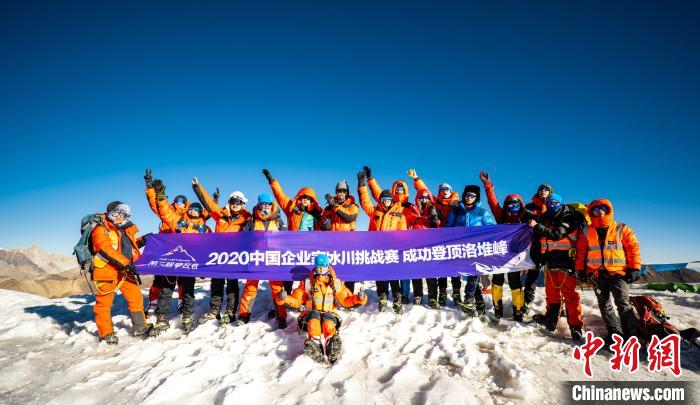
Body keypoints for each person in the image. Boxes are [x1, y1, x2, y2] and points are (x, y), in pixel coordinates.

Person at [148, 178, 212, 337]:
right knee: (166, 290)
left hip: (190, 264)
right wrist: (160, 195)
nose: (193, 211)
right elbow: (165, 212)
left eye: (197, 210)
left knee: (188, 291)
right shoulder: (178, 222)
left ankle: (187, 315)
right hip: (172, 262)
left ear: (201, 213)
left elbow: (208, 247)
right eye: (192, 209)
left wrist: (204, 266)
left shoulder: (205, 229)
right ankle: (162, 318)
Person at [575, 199, 642, 344]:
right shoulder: (586, 231)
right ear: (591, 212)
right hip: (596, 274)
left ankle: (631, 337)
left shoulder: (621, 228)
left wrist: (635, 268)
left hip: (619, 273)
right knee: (604, 305)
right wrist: (580, 270)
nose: (599, 211)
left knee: (623, 304)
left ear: (608, 210)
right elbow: (581, 253)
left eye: (602, 208)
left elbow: (633, 249)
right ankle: (615, 335)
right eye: (595, 209)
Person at [280, 254, 368, 364]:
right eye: (318, 266)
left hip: (329, 315)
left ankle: (332, 343)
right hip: (309, 318)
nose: (320, 269)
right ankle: (315, 343)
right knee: (314, 315)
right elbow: (297, 300)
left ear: (328, 266)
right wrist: (285, 298)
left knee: (328, 319)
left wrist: (359, 298)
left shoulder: (336, 283)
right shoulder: (307, 283)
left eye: (323, 266)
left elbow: (346, 300)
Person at [192, 177, 252, 326]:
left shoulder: (247, 218)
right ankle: (214, 310)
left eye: (238, 202)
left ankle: (230, 311)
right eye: (233, 201)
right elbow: (208, 203)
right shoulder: (220, 214)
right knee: (216, 283)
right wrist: (198, 187)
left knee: (232, 285)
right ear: (229, 203)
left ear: (243, 204)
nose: (235, 204)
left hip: (234, 257)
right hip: (218, 256)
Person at [528, 193, 585, 341]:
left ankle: (575, 327)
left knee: (570, 297)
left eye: (554, 202)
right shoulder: (548, 218)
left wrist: (536, 226)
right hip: (551, 262)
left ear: (560, 203)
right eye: (549, 203)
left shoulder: (569, 217)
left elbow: (556, 235)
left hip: (567, 262)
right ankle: (551, 321)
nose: (551, 205)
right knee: (552, 295)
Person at [90, 202, 149, 344]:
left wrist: (142, 241)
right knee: (104, 303)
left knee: (135, 297)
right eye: (117, 213)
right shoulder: (101, 228)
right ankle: (106, 333)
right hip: (106, 271)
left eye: (123, 214)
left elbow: (126, 247)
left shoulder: (124, 229)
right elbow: (105, 249)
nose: (120, 216)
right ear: (110, 213)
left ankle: (140, 326)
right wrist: (127, 264)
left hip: (124, 270)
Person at [363, 166, 420, 304]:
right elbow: (377, 193)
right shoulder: (382, 207)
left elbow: (416, 218)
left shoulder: (408, 207)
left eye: (402, 189)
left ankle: (402, 294)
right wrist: (370, 179)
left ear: (405, 191)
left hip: (401, 244)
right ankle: (383, 294)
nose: (399, 191)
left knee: (401, 272)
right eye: (397, 189)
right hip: (381, 246)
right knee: (382, 272)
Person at [407, 168, 459, 307]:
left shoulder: (456, 204)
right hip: (426, 243)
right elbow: (424, 192)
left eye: (447, 189)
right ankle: (431, 294)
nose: (444, 191)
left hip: (448, 240)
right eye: (442, 190)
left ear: (451, 191)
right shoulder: (432, 205)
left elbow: (426, 195)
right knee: (426, 271)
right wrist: (416, 179)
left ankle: (449, 294)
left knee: (449, 269)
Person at [357, 169, 408, 314]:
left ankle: (397, 297)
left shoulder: (399, 214)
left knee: (393, 274)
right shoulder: (375, 212)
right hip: (377, 249)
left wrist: (400, 247)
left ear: (392, 200)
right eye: (383, 200)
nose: (386, 202)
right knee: (379, 274)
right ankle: (383, 296)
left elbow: (403, 233)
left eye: (388, 200)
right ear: (380, 201)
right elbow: (365, 202)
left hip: (392, 250)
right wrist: (362, 185)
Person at [236, 193, 289, 329]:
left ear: (272, 205)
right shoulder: (252, 220)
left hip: (273, 258)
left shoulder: (278, 220)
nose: (266, 206)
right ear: (259, 205)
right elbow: (243, 237)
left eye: (268, 204)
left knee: (277, 288)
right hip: (256, 258)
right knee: (250, 287)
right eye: (263, 204)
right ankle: (244, 315)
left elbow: (286, 237)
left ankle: (281, 317)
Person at [480, 171, 526, 321]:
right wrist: (488, 186)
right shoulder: (501, 216)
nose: (512, 206)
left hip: (517, 257)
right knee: (497, 281)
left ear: (520, 204)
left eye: (515, 203)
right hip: (500, 255)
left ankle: (518, 310)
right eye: (509, 203)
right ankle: (497, 308)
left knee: (515, 283)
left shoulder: (525, 218)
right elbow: (493, 203)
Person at [445, 185, 496, 317]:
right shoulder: (456, 211)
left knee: (474, 274)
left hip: (475, 249)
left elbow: (491, 228)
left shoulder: (481, 212)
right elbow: (448, 228)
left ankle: (468, 299)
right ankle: (479, 303)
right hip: (459, 249)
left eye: (472, 196)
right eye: (467, 195)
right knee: (463, 274)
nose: (469, 198)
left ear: (476, 198)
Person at [143, 169, 187, 314]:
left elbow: (207, 212)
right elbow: (154, 204)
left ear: (186, 204)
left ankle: (182, 302)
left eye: (182, 202)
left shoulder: (189, 215)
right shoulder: (166, 211)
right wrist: (150, 187)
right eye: (177, 201)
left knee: (182, 279)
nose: (179, 204)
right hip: (164, 248)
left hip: (182, 249)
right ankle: (153, 303)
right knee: (160, 278)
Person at [320, 180, 360, 292]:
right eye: (339, 191)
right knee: (333, 272)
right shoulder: (328, 209)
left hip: (348, 245)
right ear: (336, 192)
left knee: (349, 273)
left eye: (344, 191)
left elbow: (349, 217)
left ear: (347, 192)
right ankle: (333, 295)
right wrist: (324, 226)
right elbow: (321, 225)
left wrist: (334, 205)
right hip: (332, 246)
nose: (341, 193)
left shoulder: (353, 206)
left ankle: (348, 296)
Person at [522, 183, 553, 314]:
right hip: (534, 245)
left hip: (551, 246)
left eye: (546, 189)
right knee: (531, 277)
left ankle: (557, 306)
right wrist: (526, 216)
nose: (543, 191)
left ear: (550, 193)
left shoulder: (553, 206)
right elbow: (522, 222)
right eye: (541, 189)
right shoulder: (530, 206)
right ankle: (527, 303)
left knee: (554, 278)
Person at [410, 189, 441, 306]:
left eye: (426, 197)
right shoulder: (412, 210)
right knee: (416, 272)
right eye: (421, 197)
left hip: (429, 246)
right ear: (417, 199)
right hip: (415, 245)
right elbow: (406, 223)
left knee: (431, 273)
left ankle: (433, 297)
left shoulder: (434, 209)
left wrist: (435, 219)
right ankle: (418, 295)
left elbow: (439, 227)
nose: (424, 200)